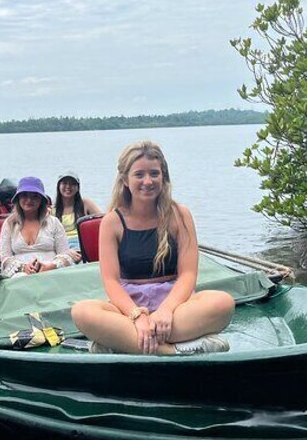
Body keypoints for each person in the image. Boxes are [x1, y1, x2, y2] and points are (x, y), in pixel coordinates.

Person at [71, 141, 234, 355]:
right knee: (82, 312)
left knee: (223, 302)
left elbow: (188, 274)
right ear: (125, 180)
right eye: (139, 175)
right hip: (130, 306)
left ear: (163, 177)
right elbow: (111, 281)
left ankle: (123, 341)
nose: (147, 181)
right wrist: (137, 316)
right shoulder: (112, 221)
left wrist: (166, 310)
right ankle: (172, 351)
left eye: (154, 174)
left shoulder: (180, 214)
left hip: (176, 305)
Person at [0, 176, 75, 277]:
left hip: (52, 273)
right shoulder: (9, 224)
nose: (29, 200)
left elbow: (66, 255)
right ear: (18, 199)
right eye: (24, 195)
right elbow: (5, 258)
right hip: (19, 276)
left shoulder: (54, 222)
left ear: (41, 200)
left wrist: (51, 266)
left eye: (35, 196)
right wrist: (23, 267)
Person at [53, 171, 101, 261]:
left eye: (72, 184)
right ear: (59, 186)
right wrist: (65, 250)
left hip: (82, 244)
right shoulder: (52, 209)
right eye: (64, 183)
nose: (68, 186)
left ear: (78, 187)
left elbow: (103, 220)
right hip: (62, 245)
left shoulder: (85, 204)